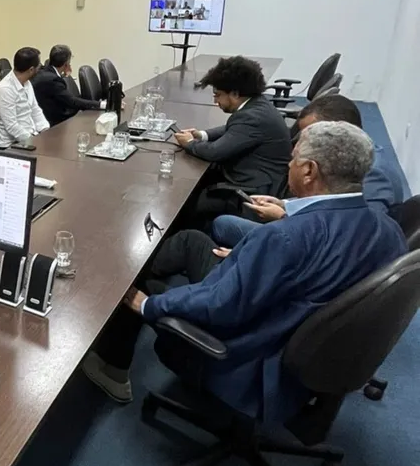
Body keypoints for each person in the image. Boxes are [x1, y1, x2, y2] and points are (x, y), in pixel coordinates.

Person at [82, 121, 407, 415]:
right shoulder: (389, 230)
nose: (288, 165)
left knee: (134, 284)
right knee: (192, 241)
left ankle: (112, 370)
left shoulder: (286, 238)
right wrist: (250, 256)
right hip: (307, 341)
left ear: (309, 171)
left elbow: (220, 306)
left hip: (250, 356)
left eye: (292, 160)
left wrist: (150, 305)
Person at [212, 94, 412, 247]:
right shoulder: (352, 156)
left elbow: (354, 238)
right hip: (314, 227)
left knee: (223, 224)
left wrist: (284, 217)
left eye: (313, 134)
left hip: (312, 242)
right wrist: (285, 205)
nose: (302, 143)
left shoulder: (374, 175)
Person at [172, 56, 292, 221]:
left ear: (235, 93)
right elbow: (233, 129)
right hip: (263, 179)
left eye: (218, 95)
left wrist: (190, 143)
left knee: (185, 204)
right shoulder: (257, 105)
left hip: (252, 192)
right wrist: (202, 135)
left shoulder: (252, 117)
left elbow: (215, 152)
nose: (215, 101)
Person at [0, 47, 50, 148]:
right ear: (31, 69)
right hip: (13, 144)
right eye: (38, 66)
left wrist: (46, 132)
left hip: (30, 137)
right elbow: (12, 126)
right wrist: (35, 142)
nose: (40, 67)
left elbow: (35, 110)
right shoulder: (5, 89)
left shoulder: (27, 83)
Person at [31, 45, 103, 126]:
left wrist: (63, 74)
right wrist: (101, 104)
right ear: (66, 64)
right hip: (53, 124)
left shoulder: (45, 72)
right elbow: (72, 101)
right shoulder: (52, 80)